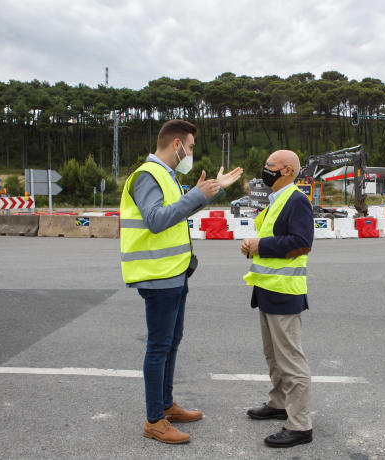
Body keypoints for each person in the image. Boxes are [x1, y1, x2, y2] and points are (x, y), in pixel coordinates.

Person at [120, 119, 242, 444]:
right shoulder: (147, 175)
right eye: (189, 147)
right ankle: (154, 420)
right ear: (176, 144)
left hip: (175, 272)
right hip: (158, 276)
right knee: (159, 347)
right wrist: (196, 195)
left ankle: (166, 405)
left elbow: (178, 211)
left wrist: (211, 190)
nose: (190, 153)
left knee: (172, 342)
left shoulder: (168, 176)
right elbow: (157, 220)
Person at [240, 149, 314, 448]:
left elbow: (302, 243)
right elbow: (271, 240)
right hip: (268, 289)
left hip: (284, 293)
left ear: (286, 170)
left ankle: (300, 425)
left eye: (269, 167)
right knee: (273, 356)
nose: (264, 170)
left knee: (291, 361)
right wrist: (252, 246)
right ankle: (279, 402)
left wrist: (260, 244)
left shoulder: (297, 200)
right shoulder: (276, 199)